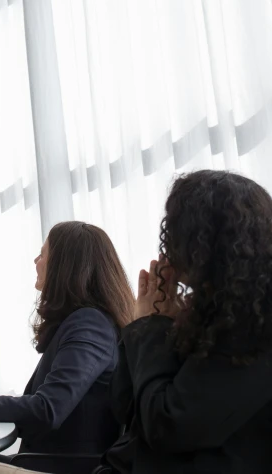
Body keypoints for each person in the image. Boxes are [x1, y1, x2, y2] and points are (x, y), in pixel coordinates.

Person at [103, 170, 272, 474]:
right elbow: (127, 410)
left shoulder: (255, 322)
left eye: (177, 230)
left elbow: (169, 425)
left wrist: (150, 327)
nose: (169, 245)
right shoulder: (210, 311)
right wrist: (146, 325)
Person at [0, 221, 134, 459]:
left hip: (58, 467)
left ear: (65, 266)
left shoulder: (90, 324)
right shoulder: (86, 322)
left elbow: (47, 409)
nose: (36, 261)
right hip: (45, 461)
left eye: (43, 254)